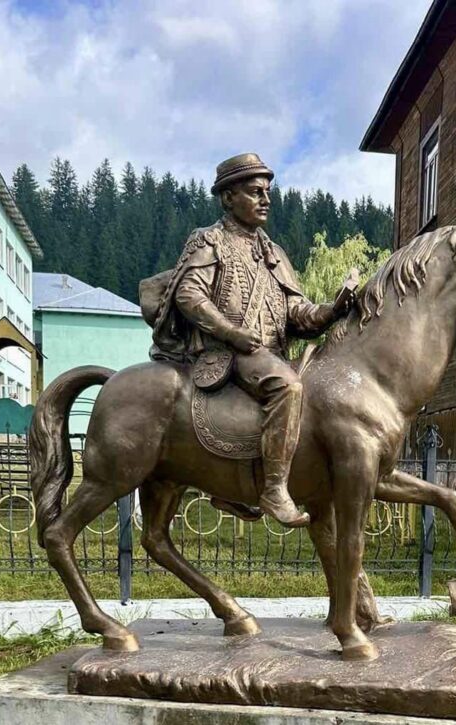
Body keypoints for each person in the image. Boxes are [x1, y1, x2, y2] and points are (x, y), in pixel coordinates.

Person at [141, 153, 348, 527]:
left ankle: (234, 486)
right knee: (288, 388)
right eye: (255, 192)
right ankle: (273, 489)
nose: (265, 199)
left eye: (267, 191)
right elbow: (189, 294)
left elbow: (296, 312)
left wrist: (333, 309)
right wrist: (230, 332)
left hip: (270, 352)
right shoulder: (210, 240)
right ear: (228, 198)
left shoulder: (273, 252)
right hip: (231, 352)